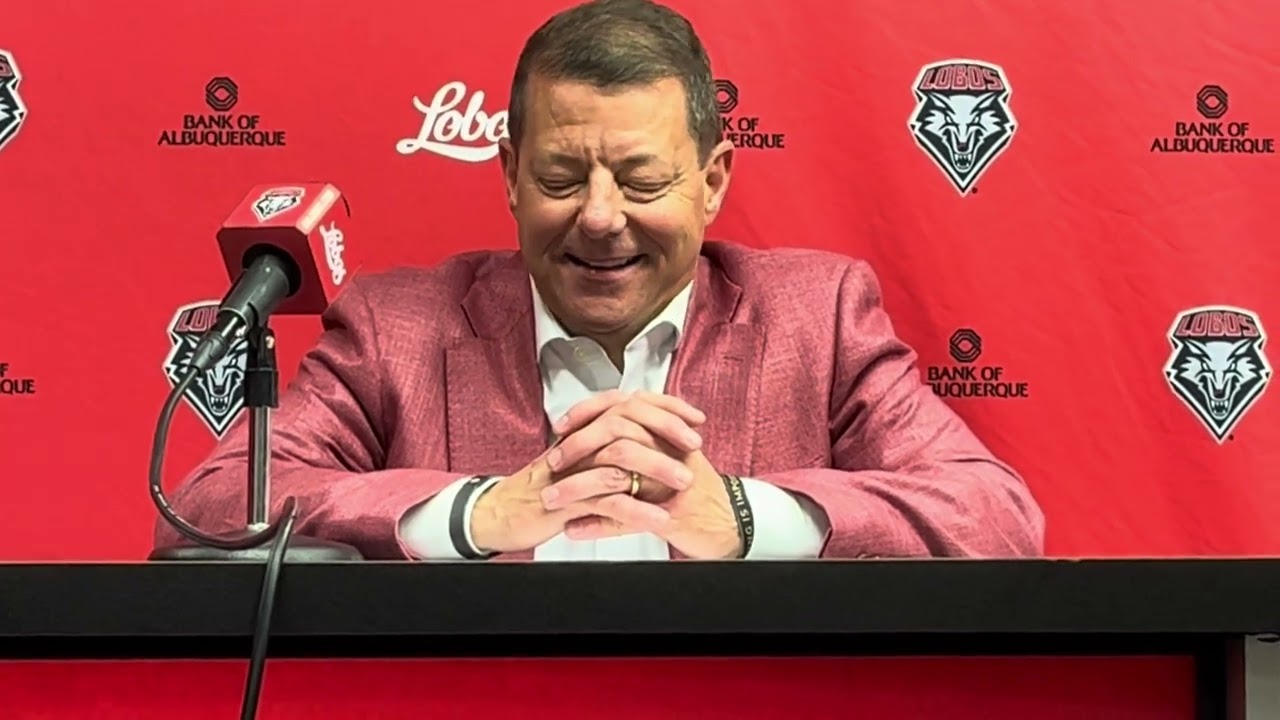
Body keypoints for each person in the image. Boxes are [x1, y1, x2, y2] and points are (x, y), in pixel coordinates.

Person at [155, 0, 1045, 562]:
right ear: (510, 175)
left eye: (643, 180)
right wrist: (476, 513)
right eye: (559, 178)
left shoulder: (821, 316)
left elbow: (996, 519)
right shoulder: (398, 327)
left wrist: (741, 516)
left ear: (714, 181)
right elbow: (204, 510)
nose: (600, 216)